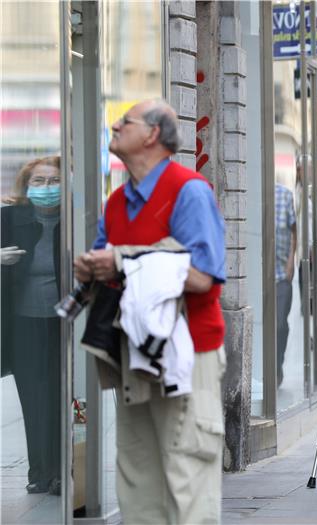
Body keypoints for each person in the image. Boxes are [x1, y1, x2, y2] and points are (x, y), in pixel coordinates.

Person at [73, 99, 226, 524]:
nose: (115, 126)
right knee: (137, 475)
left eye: (126, 121)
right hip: (135, 351)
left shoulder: (189, 190)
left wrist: (124, 259)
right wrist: (93, 267)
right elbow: (113, 262)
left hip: (189, 352)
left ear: (153, 135)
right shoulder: (118, 200)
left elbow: (205, 277)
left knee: (187, 474)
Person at [1, 156, 62, 495]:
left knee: (58, 396)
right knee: (33, 399)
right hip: (23, 323)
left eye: (52, 181)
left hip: (62, 323)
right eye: (38, 182)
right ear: (26, 186)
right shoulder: (9, 218)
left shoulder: (76, 222)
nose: (45, 189)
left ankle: (58, 470)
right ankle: (38, 471)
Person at [275, 183, 296, 387]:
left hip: (281, 273)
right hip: (258, 275)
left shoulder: (284, 195)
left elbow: (294, 231)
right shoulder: (251, 194)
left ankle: (277, 364)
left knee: (280, 323)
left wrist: (291, 263)